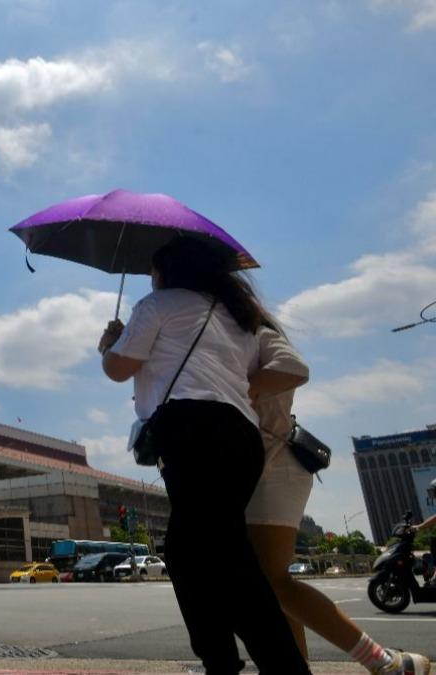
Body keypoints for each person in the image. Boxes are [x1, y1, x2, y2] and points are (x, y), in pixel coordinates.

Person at [98, 237, 309, 674]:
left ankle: (262, 665)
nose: (150, 278)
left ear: (168, 271)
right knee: (204, 552)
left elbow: (119, 370)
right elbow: (280, 370)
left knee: (208, 554)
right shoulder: (238, 316)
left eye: (153, 270)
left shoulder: (157, 304)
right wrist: (238, 393)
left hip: (192, 432)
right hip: (240, 438)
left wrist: (108, 344)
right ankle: (226, 661)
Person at [243, 326, 430, 673]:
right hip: (247, 471)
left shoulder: (254, 328)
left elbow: (294, 368)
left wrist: (229, 388)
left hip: (275, 466)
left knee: (269, 580)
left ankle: (384, 661)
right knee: (272, 588)